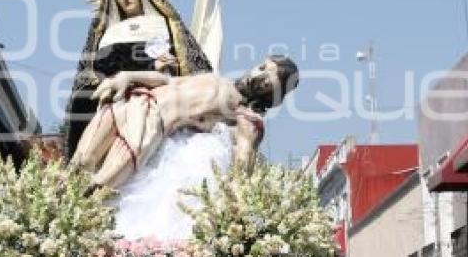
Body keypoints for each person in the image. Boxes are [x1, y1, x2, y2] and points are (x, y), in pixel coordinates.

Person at [64, 0, 212, 156]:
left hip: (159, 93)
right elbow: (96, 73)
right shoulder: (109, 33)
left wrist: (163, 67)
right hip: (116, 97)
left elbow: (187, 69)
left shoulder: (165, 25)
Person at [71, 55, 299, 190]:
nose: (256, 76)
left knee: (99, 186)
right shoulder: (217, 79)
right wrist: (128, 76)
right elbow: (169, 81)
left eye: (267, 81)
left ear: (273, 94)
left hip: (150, 125)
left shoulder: (246, 116)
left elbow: (243, 159)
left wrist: (235, 201)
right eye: (261, 67)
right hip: (134, 101)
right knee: (80, 162)